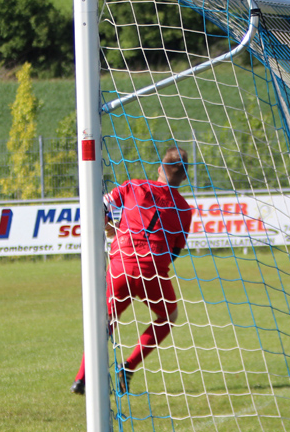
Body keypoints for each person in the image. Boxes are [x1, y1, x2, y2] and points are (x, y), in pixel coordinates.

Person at [71, 146, 193, 396]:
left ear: (159, 168)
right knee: (169, 317)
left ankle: (82, 379)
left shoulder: (134, 186)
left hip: (120, 266)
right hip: (153, 273)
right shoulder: (185, 210)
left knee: (103, 324)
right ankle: (129, 365)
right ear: (184, 177)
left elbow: (99, 207)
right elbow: (174, 253)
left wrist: (111, 226)